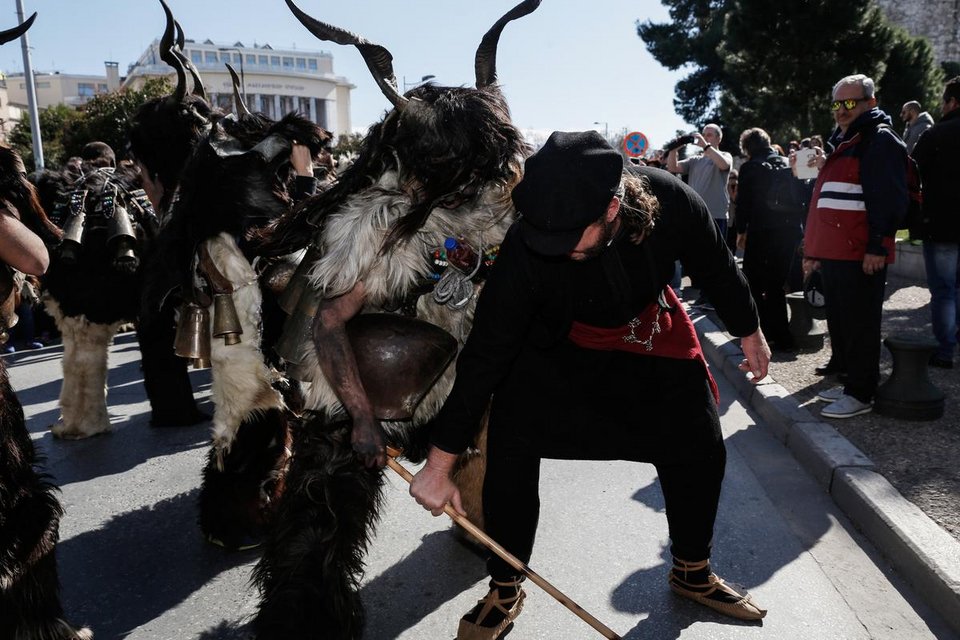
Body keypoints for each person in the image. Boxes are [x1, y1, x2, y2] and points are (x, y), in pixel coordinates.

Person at [410, 131, 770, 639]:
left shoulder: (672, 199)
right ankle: (506, 584)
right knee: (511, 435)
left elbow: (716, 267)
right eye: (546, 236)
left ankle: (692, 570)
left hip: (646, 336)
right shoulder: (529, 243)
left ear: (614, 207)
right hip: (559, 346)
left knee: (700, 441)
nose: (557, 249)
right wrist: (439, 464)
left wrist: (749, 331)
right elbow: (486, 353)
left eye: (570, 237)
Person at [801, 74, 908, 418]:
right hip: (837, 252)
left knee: (861, 324)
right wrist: (816, 251)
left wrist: (878, 245)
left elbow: (888, 198)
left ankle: (862, 392)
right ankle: (851, 383)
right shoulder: (847, 139)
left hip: (860, 252)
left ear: (870, 103)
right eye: (837, 104)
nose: (841, 111)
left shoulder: (879, 139)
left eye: (849, 103)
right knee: (844, 322)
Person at [736, 127, 809, 352]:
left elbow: (743, 203)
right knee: (777, 283)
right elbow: (807, 196)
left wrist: (741, 231)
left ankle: (763, 333)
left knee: (754, 284)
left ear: (747, 147)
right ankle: (783, 336)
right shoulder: (791, 162)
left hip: (761, 231)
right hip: (790, 231)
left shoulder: (749, 168)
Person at [911, 77, 960, 368]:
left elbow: (912, 173)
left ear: (952, 103)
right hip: (945, 223)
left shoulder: (936, 135)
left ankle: (945, 350)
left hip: (942, 223)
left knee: (943, 290)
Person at [666, 123, 733, 239]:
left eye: (709, 135)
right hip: (696, 214)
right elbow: (673, 168)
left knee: (715, 254)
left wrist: (706, 147)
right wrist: (673, 150)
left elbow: (723, 165)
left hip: (716, 215)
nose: (705, 138)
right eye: (703, 135)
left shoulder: (725, 155)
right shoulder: (695, 160)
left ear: (719, 138)